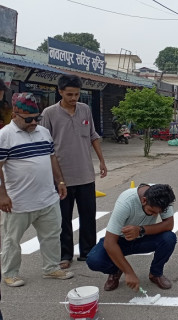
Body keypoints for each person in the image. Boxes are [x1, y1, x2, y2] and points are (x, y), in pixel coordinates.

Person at [0, 93, 74, 287]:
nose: (34, 122)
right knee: (12, 240)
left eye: (37, 118)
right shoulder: (5, 136)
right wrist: (2, 195)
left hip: (47, 198)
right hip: (18, 202)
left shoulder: (43, 132)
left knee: (52, 235)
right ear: (15, 113)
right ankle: (10, 273)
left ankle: (51, 268)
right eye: (29, 119)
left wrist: (60, 182)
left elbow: (52, 157)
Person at [40, 74, 108, 269]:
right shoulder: (49, 113)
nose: (73, 98)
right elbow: (45, 144)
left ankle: (88, 252)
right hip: (61, 177)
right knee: (63, 219)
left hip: (85, 174)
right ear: (60, 92)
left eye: (77, 94)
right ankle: (65, 255)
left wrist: (102, 161)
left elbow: (93, 136)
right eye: (69, 94)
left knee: (88, 216)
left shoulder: (85, 110)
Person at [86, 184, 176, 292]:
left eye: (157, 213)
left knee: (169, 238)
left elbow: (169, 225)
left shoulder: (164, 198)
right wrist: (129, 272)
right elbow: (109, 242)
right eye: (151, 211)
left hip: (143, 238)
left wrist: (140, 230)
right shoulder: (126, 202)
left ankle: (155, 274)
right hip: (120, 240)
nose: (154, 216)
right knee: (94, 260)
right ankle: (116, 270)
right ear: (144, 200)